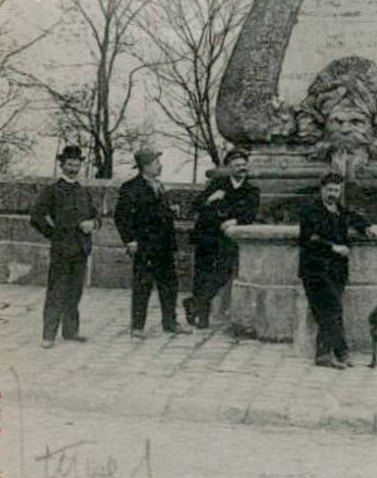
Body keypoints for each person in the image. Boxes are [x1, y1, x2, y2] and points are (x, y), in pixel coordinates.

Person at [114, 147, 189, 339]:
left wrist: (170, 210)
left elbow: (156, 212)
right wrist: (130, 240)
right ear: (145, 166)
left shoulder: (159, 186)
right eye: (156, 162)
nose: (160, 165)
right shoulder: (130, 188)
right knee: (142, 285)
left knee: (169, 284)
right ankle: (137, 326)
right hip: (144, 245)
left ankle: (170, 322)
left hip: (163, 244)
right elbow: (121, 217)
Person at [298, 172, 370, 369]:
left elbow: (352, 217)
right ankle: (340, 352)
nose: (333, 194)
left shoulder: (339, 210)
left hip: (337, 269)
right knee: (331, 309)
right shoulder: (310, 211)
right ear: (321, 189)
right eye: (329, 190)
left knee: (329, 312)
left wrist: (365, 226)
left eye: (336, 190)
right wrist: (333, 247)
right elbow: (309, 238)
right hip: (315, 268)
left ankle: (327, 354)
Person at [30, 145, 100, 348]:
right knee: (56, 292)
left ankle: (71, 332)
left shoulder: (84, 191)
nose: (73, 168)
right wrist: (54, 235)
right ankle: (48, 335)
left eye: (77, 165)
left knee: (75, 292)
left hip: (81, 249)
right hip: (61, 250)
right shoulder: (52, 191)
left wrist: (92, 224)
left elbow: (97, 216)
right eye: (69, 164)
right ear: (62, 165)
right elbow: (36, 217)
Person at [183, 148, 260, 329]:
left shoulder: (251, 189)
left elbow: (251, 212)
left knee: (223, 273)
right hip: (207, 235)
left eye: (243, 165)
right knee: (202, 275)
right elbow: (195, 206)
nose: (242, 168)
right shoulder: (218, 184)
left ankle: (194, 303)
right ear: (228, 168)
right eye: (237, 165)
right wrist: (210, 199)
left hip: (228, 238)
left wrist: (236, 220)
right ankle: (202, 317)